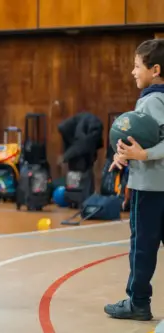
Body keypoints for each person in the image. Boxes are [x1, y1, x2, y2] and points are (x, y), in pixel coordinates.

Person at [105, 38, 164, 321]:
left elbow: (147, 148)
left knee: (142, 247)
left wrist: (142, 154)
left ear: (155, 69)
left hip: (149, 189)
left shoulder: (151, 101)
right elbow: (139, 141)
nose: (132, 71)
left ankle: (138, 302)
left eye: (136, 66)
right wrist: (125, 155)